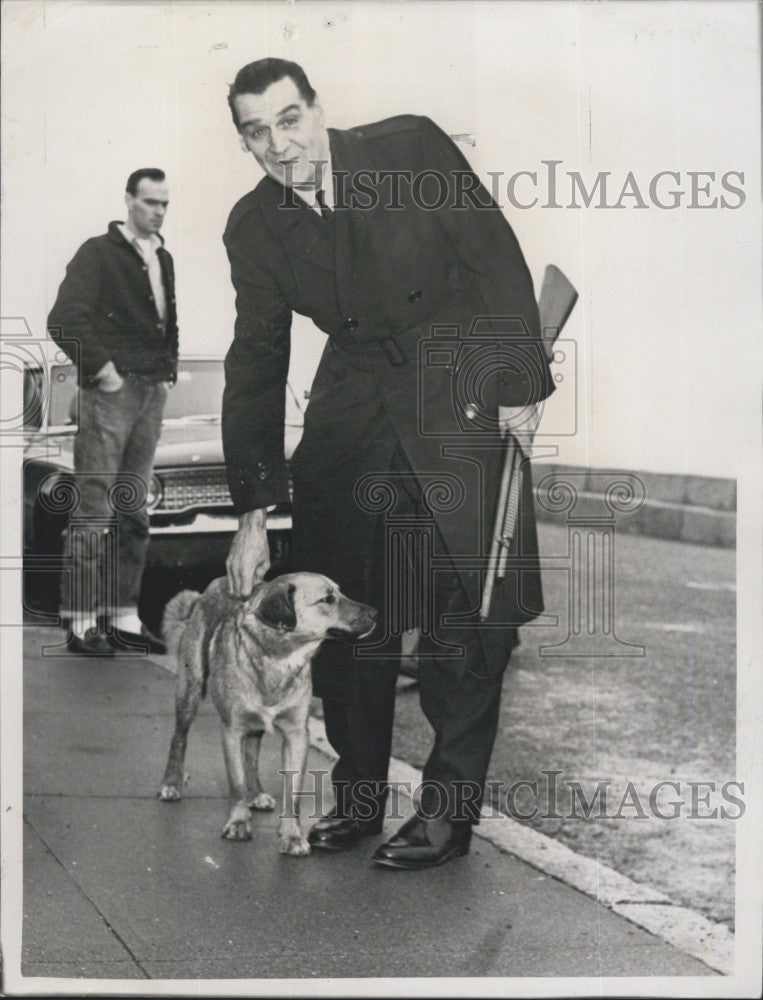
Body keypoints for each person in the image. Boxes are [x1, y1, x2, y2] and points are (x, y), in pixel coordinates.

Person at [222, 59, 555, 869]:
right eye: (256, 130)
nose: (278, 142)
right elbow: (258, 359)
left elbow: (491, 252)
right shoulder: (254, 224)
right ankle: (358, 800)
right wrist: (254, 511)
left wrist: (518, 381)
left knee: (467, 621)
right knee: (351, 624)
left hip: (453, 392)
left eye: (289, 118)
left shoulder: (409, 149)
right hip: (352, 417)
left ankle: (446, 816)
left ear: (317, 108)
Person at [48, 168, 178, 655]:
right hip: (109, 395)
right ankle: (81, 622)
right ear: (128, 200)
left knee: (134, 511)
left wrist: (167, 370)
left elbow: (168, 320)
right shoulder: (98, 253)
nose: (159, 211)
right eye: (150, 202)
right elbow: (64, 318)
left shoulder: (163, 256)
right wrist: (104, 371)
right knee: (95, 512)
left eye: (165, 203)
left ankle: (123, 618)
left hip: (150, 394)